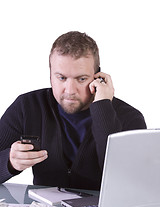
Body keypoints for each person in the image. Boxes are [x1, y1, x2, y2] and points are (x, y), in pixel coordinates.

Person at [0, 31, 147, 190]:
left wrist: (103, 107)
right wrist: (9, 162)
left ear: (97, 77)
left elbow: (131, 183)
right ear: (50, 75)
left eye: (81, 79)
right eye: (61, 78)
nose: (70, 90)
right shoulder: (27, 106)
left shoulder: (130, 117)